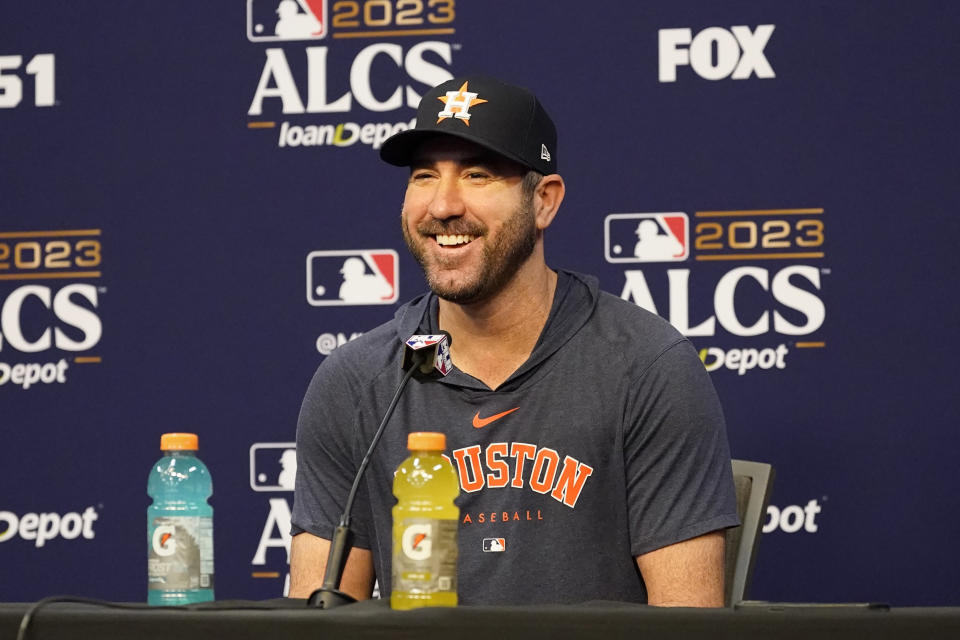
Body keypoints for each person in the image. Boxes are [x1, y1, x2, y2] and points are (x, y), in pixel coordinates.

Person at [289, 75, 739, 606]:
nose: (442, 205)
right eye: (425, 175)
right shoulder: (358, 381)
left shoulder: (645, 368)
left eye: (478, 175)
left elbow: (686, 627)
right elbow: (317, 617)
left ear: (544, 201)